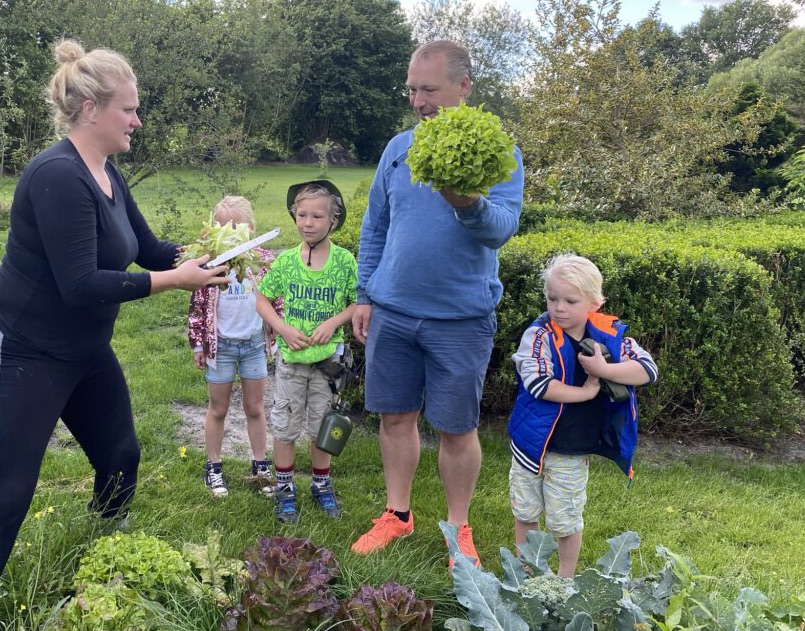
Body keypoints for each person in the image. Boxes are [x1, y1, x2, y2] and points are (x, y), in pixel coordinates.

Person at [0, 39, 230, 576]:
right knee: (9, 488)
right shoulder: (57, 175)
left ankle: (102, 554)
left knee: (121, 457)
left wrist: (217, 254)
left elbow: (147, 250)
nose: (138, 121)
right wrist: (176, 281)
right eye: (128, 109)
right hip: (29, 351)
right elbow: (80, 284)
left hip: (84, 349)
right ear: (90, 110)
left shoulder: (107, 171)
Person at [350, 40, 524, 569]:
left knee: (456, 427)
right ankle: (397, 515)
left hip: (461, 318)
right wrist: (364, 293)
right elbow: (375, 226)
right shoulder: (398, 148)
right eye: (411, 89)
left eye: (428, 89)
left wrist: (466, 202)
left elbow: (501, 229)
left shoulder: (499, 152)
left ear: (463, 87)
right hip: (393, 311)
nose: (417, 100)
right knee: (395, 418)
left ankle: (458, 527)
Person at [508, 254, 659, 577]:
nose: (559, 307)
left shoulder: (612, 336)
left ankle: (565, 579)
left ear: (595, 302)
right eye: (552, 298)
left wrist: (606, 369)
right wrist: (586, 393)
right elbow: (538, 384)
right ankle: (527, 574)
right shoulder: (538, 336)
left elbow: (647, 369)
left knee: (565, 519)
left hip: (573, 448)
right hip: (530, 443)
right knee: (525, 510)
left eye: (570, 301)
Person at [256, 180, 357, 524]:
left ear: (333, 220)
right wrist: (281, 327)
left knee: (322, 427)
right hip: (291, 363)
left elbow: (358, 302)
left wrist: (335, 322)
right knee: (284, 426)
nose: (308, 222)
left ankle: (320, 483)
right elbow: (262, 298)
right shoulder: (285, 262)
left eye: (317, 216)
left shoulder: (345, 262)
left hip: (329, 365)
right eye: (302, 215)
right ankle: (284, 488)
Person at [188, 195, 282, 498]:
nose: (229, 232)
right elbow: (198, 308)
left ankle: (260, 465)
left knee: (255, 407)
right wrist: (198, 345)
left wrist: (277, 336)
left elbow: (276, 301)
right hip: (222, 347)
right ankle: (213, 467)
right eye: (222, 226)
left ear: (251, 228)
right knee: (218, 408)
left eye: (236, 226)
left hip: (253, 345)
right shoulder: (209, 264)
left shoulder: (263, 261)